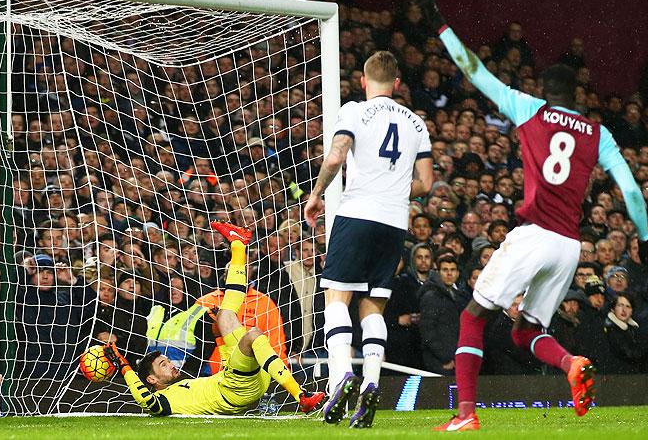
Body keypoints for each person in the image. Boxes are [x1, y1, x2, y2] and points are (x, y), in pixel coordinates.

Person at [419, 0, 648, 431]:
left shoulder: (528, 109)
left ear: (545, 91)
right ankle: (570, 364)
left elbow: (475, 72)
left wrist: (441, 25)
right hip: (570, 245)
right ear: (576, 95)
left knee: (473, 316)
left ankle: (466, 416)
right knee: (525, 331)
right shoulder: (597, 132)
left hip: (533, 235)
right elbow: (630, 189)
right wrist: (645, 241)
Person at [304, 50, 433, 428]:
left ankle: (341, 374)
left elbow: (335, 158)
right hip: (395, 222)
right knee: (373, 306)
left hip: (358, 214)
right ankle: (372, 383)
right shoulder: (417, 123)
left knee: (337, 297)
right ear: (397, 84)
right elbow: (426, 183)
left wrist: (315, 196)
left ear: (363, 81)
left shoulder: (354, 110)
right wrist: (393, 188)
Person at [103, 222, 324, 416]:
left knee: (225, 315)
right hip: (236, 389)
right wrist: (125, 367)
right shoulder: (165, 401)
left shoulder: (186, 384)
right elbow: (146, 401)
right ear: (152, 381)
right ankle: (301, 395)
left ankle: (238, 245)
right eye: (163, 364)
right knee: (253, 334)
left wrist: (219, 337)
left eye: (166, 361)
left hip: (237, 378)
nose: (170, 363)